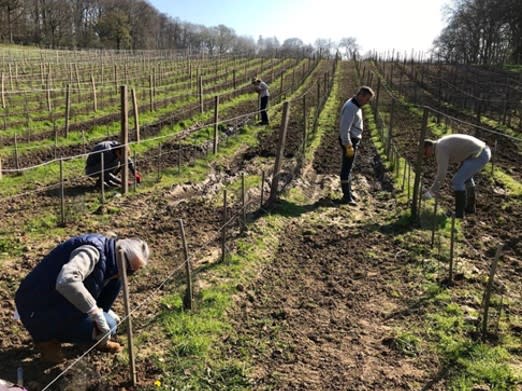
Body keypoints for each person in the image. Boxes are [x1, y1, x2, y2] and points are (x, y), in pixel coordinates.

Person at [14, 234, 151, 363]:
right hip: (38, 307)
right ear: (122, 253)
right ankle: (47, 340)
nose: (130, 275)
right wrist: (95, 312)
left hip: (58, 301)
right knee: (108, 325)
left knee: (117, 282)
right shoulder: (92, 252)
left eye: (132, 273)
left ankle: (93, 336)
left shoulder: (111, 257)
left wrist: (102, 312)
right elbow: (67, 281)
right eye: (130, 270)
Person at [422, 134, 491, 218]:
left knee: (457, 181)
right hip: (480, 151)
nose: (425, 156)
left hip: (480, 154)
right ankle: (470, 207)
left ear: (429, 146)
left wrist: (431, 192)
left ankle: (459, 214)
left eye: (425, 152)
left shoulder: (440, 149)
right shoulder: (441, 144)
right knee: (465, 178)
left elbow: (442, 174)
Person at [338, 86, 375, 205]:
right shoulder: (351, 107)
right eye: (367, 99)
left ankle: (348, 192)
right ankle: (346, 197)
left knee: (349, 168)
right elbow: (344, 129)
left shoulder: (355, 104)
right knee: (346, 168)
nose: (367, 102)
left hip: (352, 140)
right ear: (361, 95)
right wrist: (348, 145)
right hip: (350, 141)